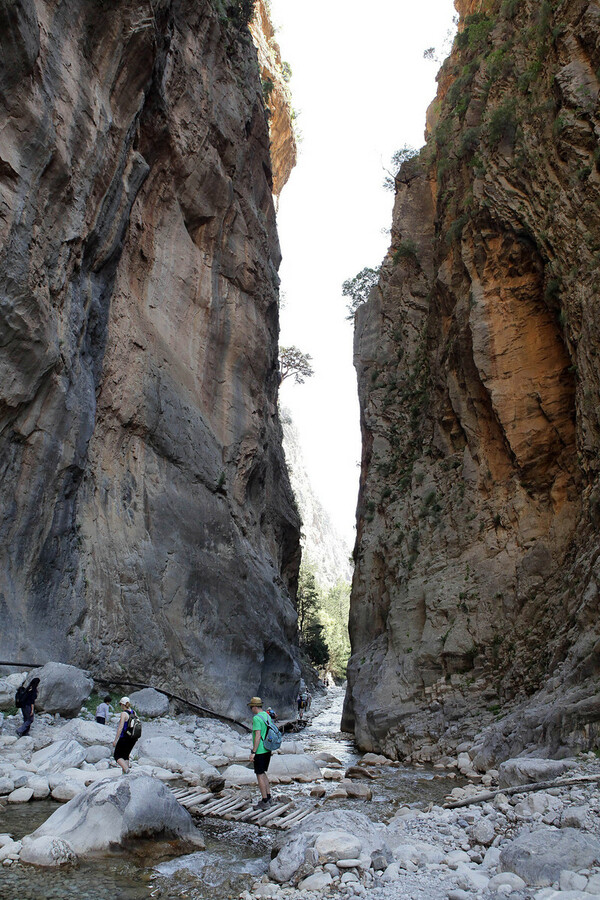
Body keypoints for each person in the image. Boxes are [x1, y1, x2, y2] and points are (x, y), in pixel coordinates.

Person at [248, 696, 273, 810]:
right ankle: (269, 797)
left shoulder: (256, 718)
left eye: (251, 707)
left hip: (260, 750)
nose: (251, 709)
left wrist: (253, 752)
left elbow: (257, 736)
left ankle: (264, 801)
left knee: (259, 774)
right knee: (263, 773)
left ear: (254, 707)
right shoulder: (266, 715)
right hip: (268, 748)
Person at [112, 697, 139, 774]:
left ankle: (127, 771)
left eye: (120, 704)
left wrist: (115, 740)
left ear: (122, 704)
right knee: (125, 755)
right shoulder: (134, 712)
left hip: (125, 737)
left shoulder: (124, 713)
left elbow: (120, 727)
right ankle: (124, 775)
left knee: (117, 756)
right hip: (133, 738)